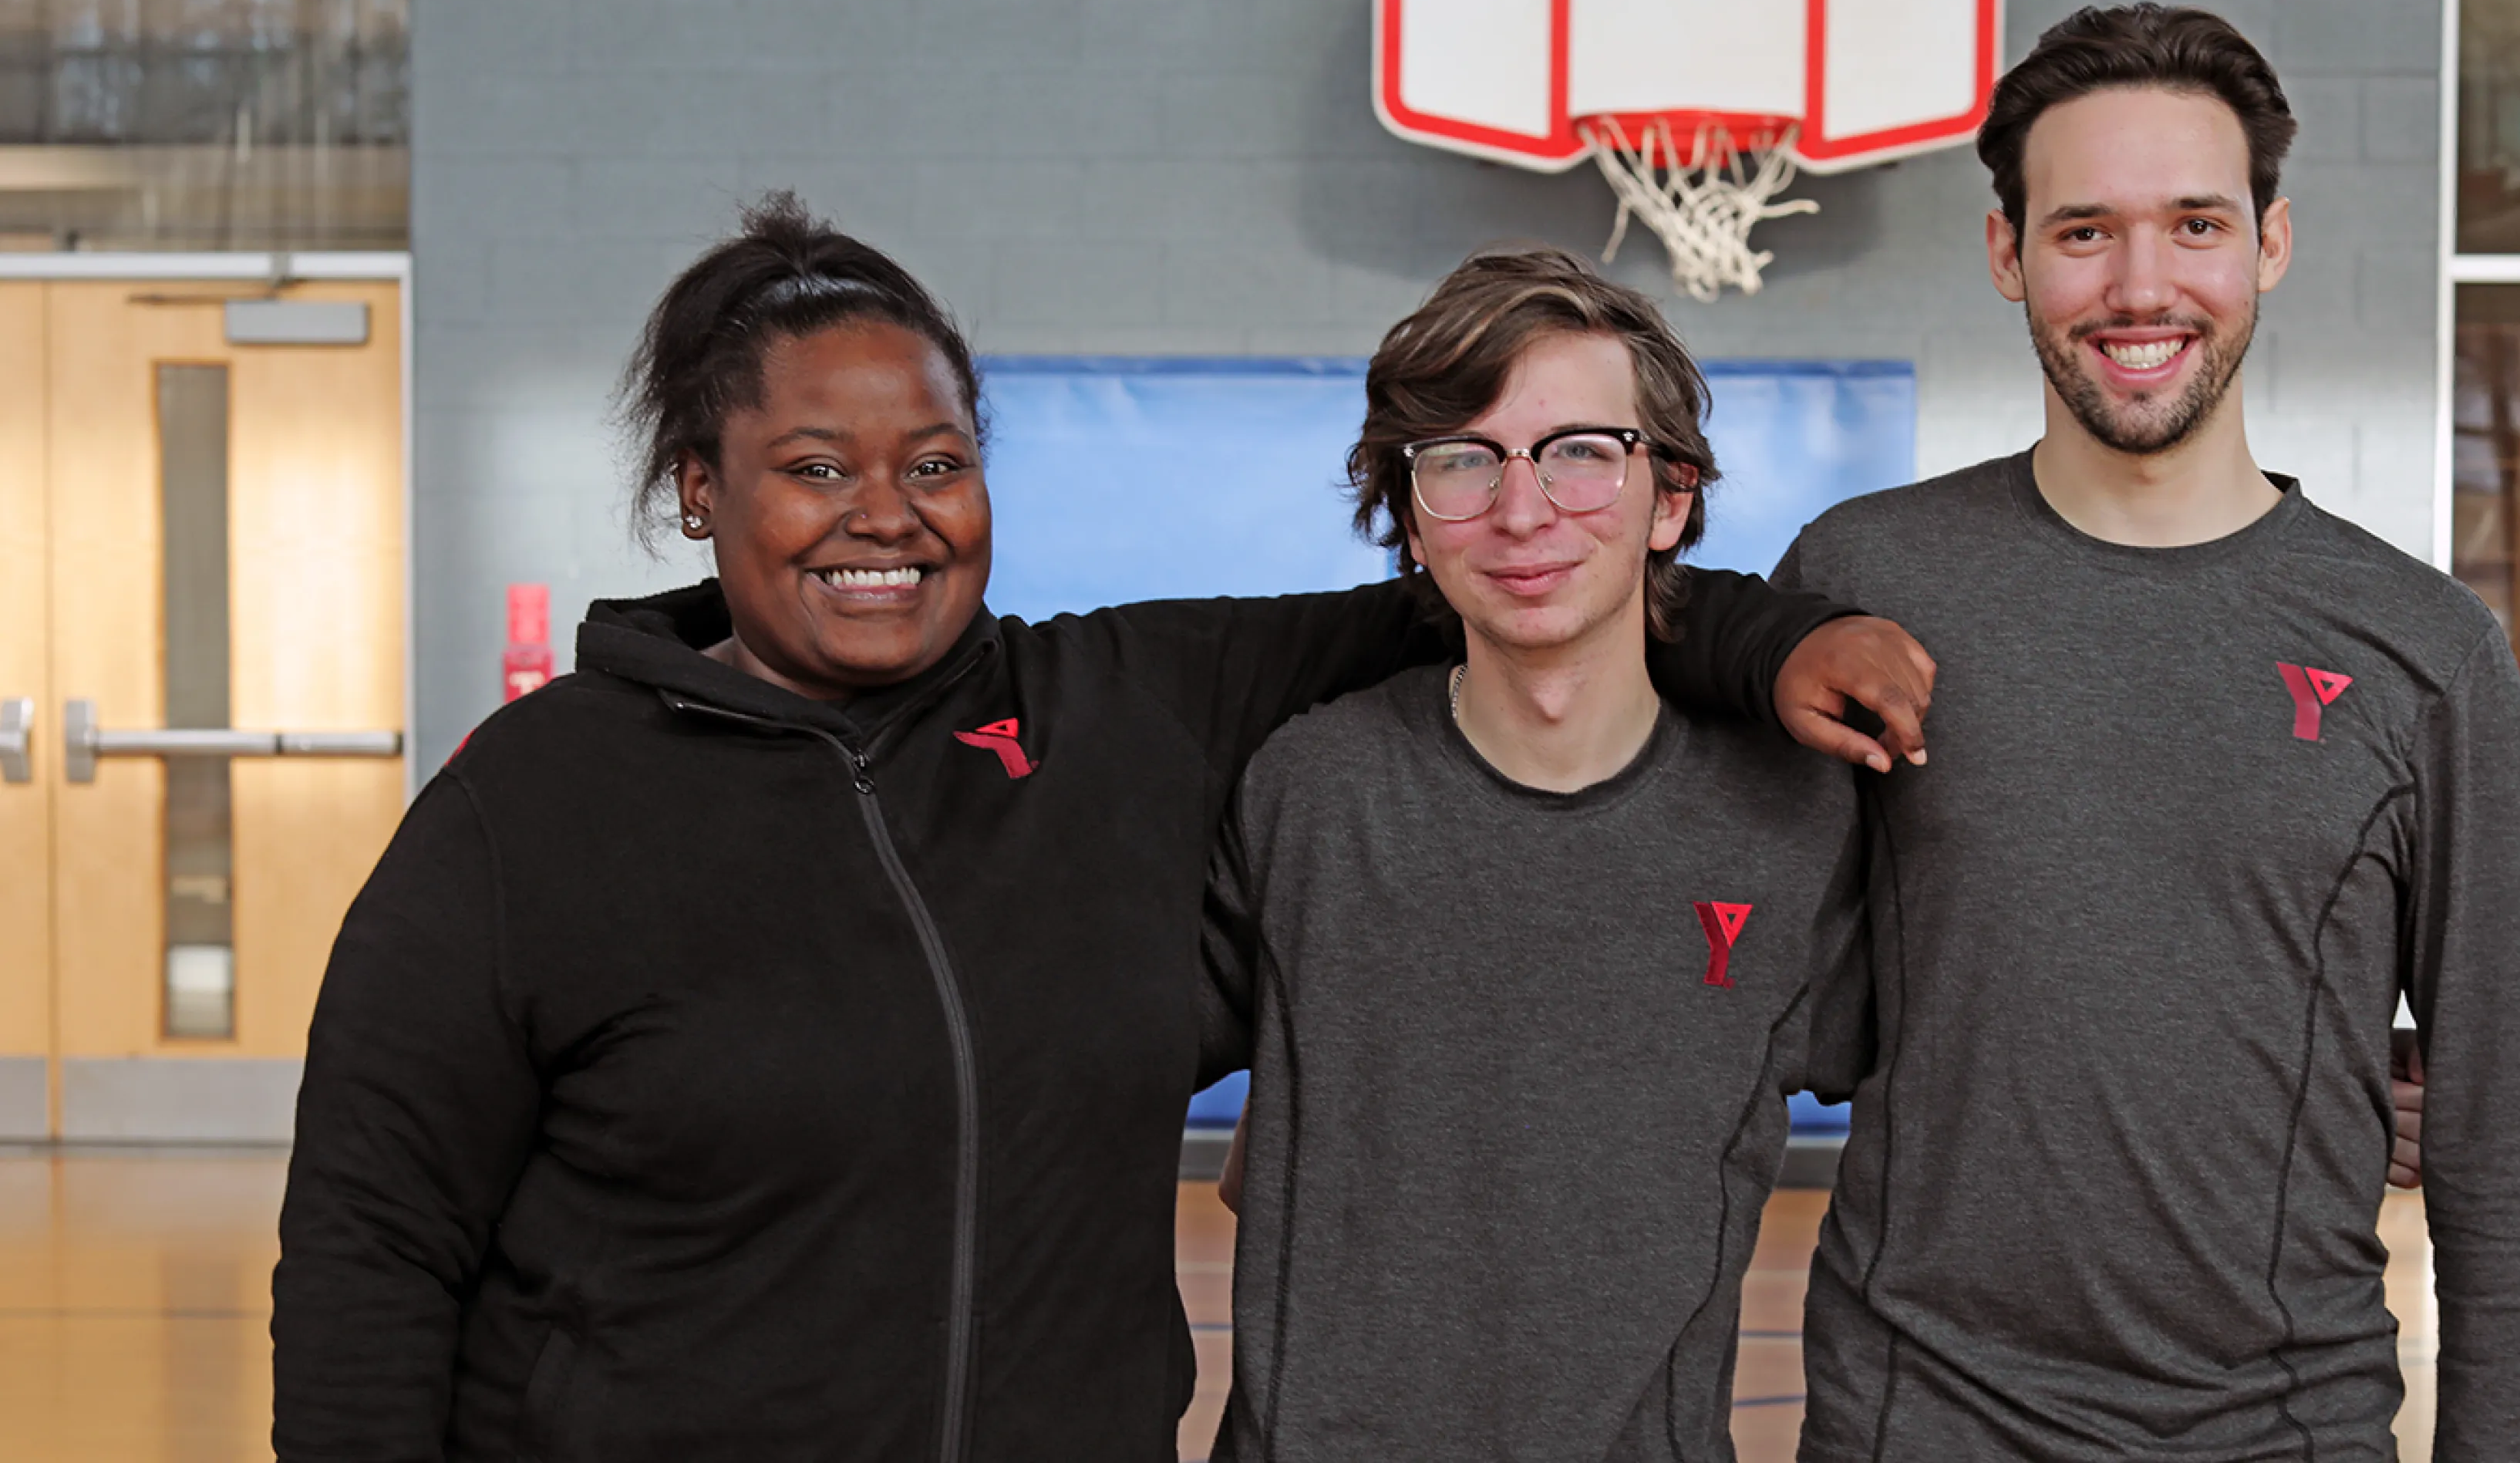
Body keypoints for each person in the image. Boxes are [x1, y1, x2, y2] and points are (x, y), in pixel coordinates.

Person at [267, 195, 1936, 1462]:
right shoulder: (531, 804)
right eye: (811, 465)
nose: (883, 516)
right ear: (700, 487)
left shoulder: (1129, 708)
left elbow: (1523, 591)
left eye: (933, 460)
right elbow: (370, 1244)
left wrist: (1766, 639)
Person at [1781, 5, 2520, 1459]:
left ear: (2269, 244)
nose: (2142, 287)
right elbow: (1768, 988)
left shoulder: (2424, 653)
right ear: (2007, 252)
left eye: (2196, 225)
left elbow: (2506, 1144)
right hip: (1920, 1418)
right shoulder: (1864, 585)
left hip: (2285, 1429)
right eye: (2083, 231)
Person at [1195, 249, 1879, 1461]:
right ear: (1411, 516)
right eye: (1462, 460)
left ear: (1667, 497)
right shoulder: (1303, 791)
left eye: (1579, 453)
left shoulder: (1796, 824)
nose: (1522, 512)